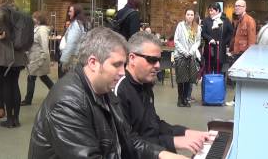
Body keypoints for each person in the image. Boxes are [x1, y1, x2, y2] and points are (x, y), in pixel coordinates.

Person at [28, 27, 188, 159]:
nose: (123, 72)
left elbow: (128, 139)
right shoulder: (67, 103)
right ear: (93, 63)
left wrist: (162, 154)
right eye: (117, 65)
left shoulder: (104, 90)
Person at [115, 31, 211, 154]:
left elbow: (153, 126)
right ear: (132, 58)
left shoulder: (144, 84)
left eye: (159, 60)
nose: (158, 66)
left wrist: (186, 132)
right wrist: (173, 142)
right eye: (152, 60)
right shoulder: (119, 89)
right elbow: (126, 143)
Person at [0, 0, 28, 127]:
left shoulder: (1, 11)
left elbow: (1, 34)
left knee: (7, 86)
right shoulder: (17, 11)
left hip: (5, 55)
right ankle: (16, 119)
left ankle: (10, 119)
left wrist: (1, 32)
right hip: (18, 54)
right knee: (15, 85)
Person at [20, 11, 54, 106]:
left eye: (34, 17)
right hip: (35, 58)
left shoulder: (42, 30)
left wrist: (42, 59)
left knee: (32, 78)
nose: (32, 19)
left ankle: (28, 100)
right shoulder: (37, 28)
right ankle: (56, 92)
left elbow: (44, 46)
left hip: (39, 59)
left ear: (38, 20)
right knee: (43, 78)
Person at [226, 0, 256, 106]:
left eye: (239, 6)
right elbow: (237, 38)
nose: (237, 7)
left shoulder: (249, 20)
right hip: (238, 53)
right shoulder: (239, 20)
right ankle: (236, 100)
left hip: (244, 54)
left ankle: (237, 100)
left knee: (240, 79)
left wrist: (249, 56)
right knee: (238, 79)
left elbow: (252, 40)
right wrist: (232, 51)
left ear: (245, 8)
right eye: (236, 6)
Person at [174, 9, 202, 107]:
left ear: (194, 16)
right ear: (185, 15)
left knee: (188, 79)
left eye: (191, 15)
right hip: (181, 55)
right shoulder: (180, 25)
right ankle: (180, 100)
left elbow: (198, 41)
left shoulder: (196, 27)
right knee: (181, 79)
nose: (190, 16)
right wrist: (184, 52)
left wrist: (191, 51)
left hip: (191, 56)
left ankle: (186, 99)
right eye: (188, 14)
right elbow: (176, 40)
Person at [201, 2, 233, 74]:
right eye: (209, 10)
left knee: (218, 70)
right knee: (208, 69)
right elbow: (203, 33)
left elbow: (230, 32)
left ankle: (217, 84)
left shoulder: (225, 20)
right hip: (209, 49)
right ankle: (209, 84)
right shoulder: (206, 20)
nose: (210, 12)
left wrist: (223, 41)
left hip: (220, 49)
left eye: (212, 10)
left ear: (218, 10)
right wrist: (210, 39)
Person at [59, 3, 87, 75]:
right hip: (75, 56)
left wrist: (64, 60)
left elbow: (71, 43)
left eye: (70, 11)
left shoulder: (75, 25)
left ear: (76, 13)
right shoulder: (80, 23)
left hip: (71, 58)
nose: (68, 13)